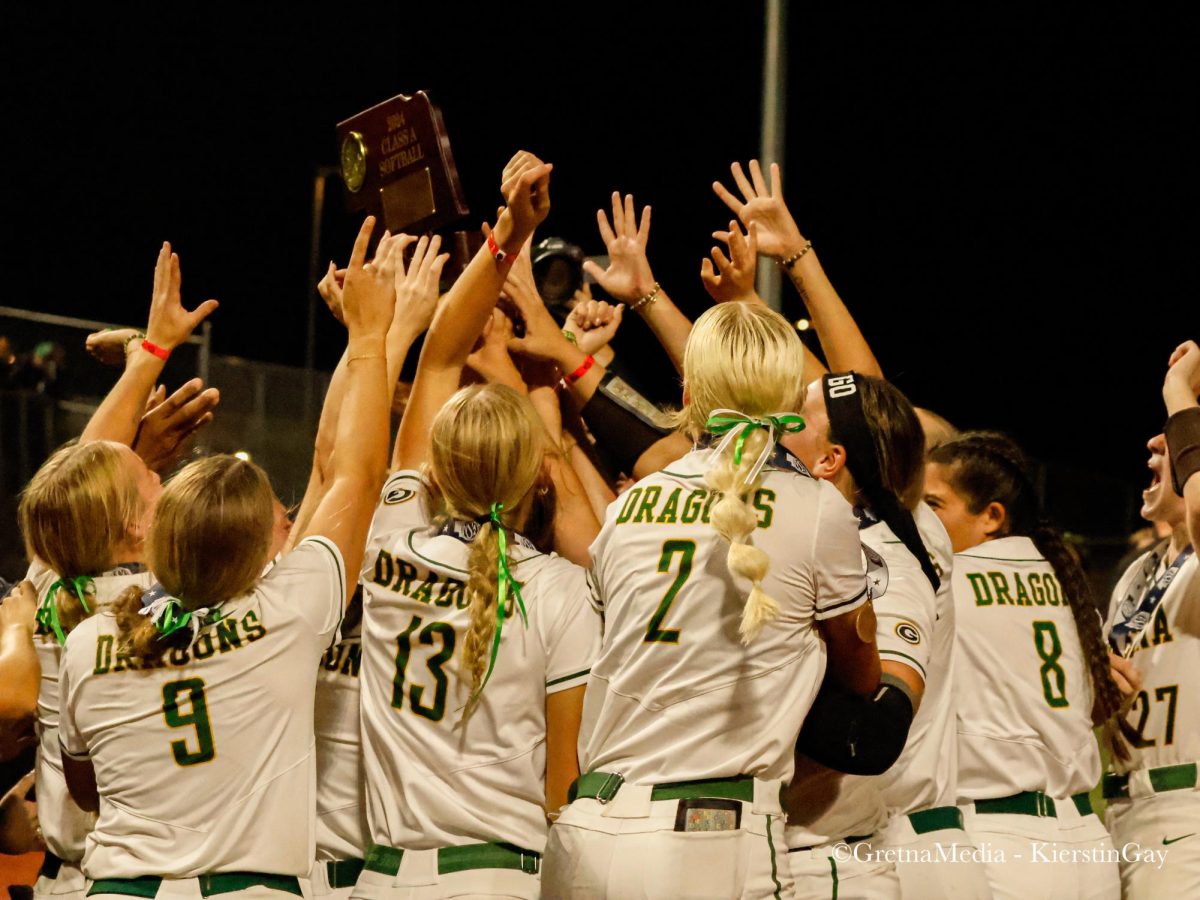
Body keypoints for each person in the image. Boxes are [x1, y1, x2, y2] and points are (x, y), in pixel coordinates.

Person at [54, 215, 395, 899]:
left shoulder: (89, 637)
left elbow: (85, 788)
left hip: (118, 887)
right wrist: (368, 337)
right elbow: (351, 474)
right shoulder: (287, 613)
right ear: (259, 548)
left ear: (158, 538)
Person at [542, 301, 880, 900]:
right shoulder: (817, 507)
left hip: (592, 829)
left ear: (691, 389)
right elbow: (861, 671)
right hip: (711, 834)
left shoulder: (628, 507)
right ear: (790, 398)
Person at [352, 152, 601, 900]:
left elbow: (436, 360)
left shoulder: (390, 540)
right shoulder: (560, 589)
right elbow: (565, 784)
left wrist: (506, 235)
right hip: (502, 877)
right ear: (539, 475)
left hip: (384, 879)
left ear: (435, 470)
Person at [17, 241, 216, 900]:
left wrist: (148, 356)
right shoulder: (192, 599)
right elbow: (88, 471)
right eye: (151, 479)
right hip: (163, 875)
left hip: (72, 878)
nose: (160, 473)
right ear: (132, 525)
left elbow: (76, 482)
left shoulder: (54, 587)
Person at [780, 372, 989, 900]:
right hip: (787, 848)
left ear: (831, 459)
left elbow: (873, 732)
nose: (776, 423)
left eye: (796, 417)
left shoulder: (879, 555)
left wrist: (747, 690)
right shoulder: (796, 535)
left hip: (827, 858)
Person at [925, 431, 1123, 900]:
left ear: (992, 516)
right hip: (1088, 844)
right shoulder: (1068, 586)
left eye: (933, 505)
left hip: (999, 842)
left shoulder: (944, 582)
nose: (920, 519)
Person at [1102, 387, 1199, 897]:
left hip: (1187, 812)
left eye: (1176, 438)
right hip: (1121, 808)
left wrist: (1179, 389)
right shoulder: (1140, 572)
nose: (1154, 444)